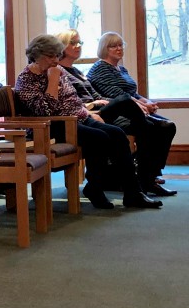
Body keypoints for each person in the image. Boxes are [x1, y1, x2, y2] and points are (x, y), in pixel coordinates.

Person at [13, 34, 162, 210]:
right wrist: (53, 81)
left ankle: (133, 193)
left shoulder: (56, 71)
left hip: (78, 117)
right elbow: (46, 111)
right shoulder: (26, 80)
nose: (55, 60)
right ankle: (95, 188)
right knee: (99, 138)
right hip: (53, 126)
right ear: (37, 55)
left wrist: (88, 114)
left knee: (118, 134)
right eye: (51, 56)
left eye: (57, 56)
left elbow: (73, 99)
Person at [56, 30, 175, 196]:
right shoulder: (59, 72)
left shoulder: (76, 71)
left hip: (98, 110)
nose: (78, 46)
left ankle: (146, 178)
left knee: (157, 125)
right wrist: (95, 104)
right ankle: (143, 179)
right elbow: (71, 101)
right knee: (143, 120)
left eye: (80, 42)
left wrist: (144, 103)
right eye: (73, 43)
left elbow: (99, 95)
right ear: (61, 47)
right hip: (86, 115)